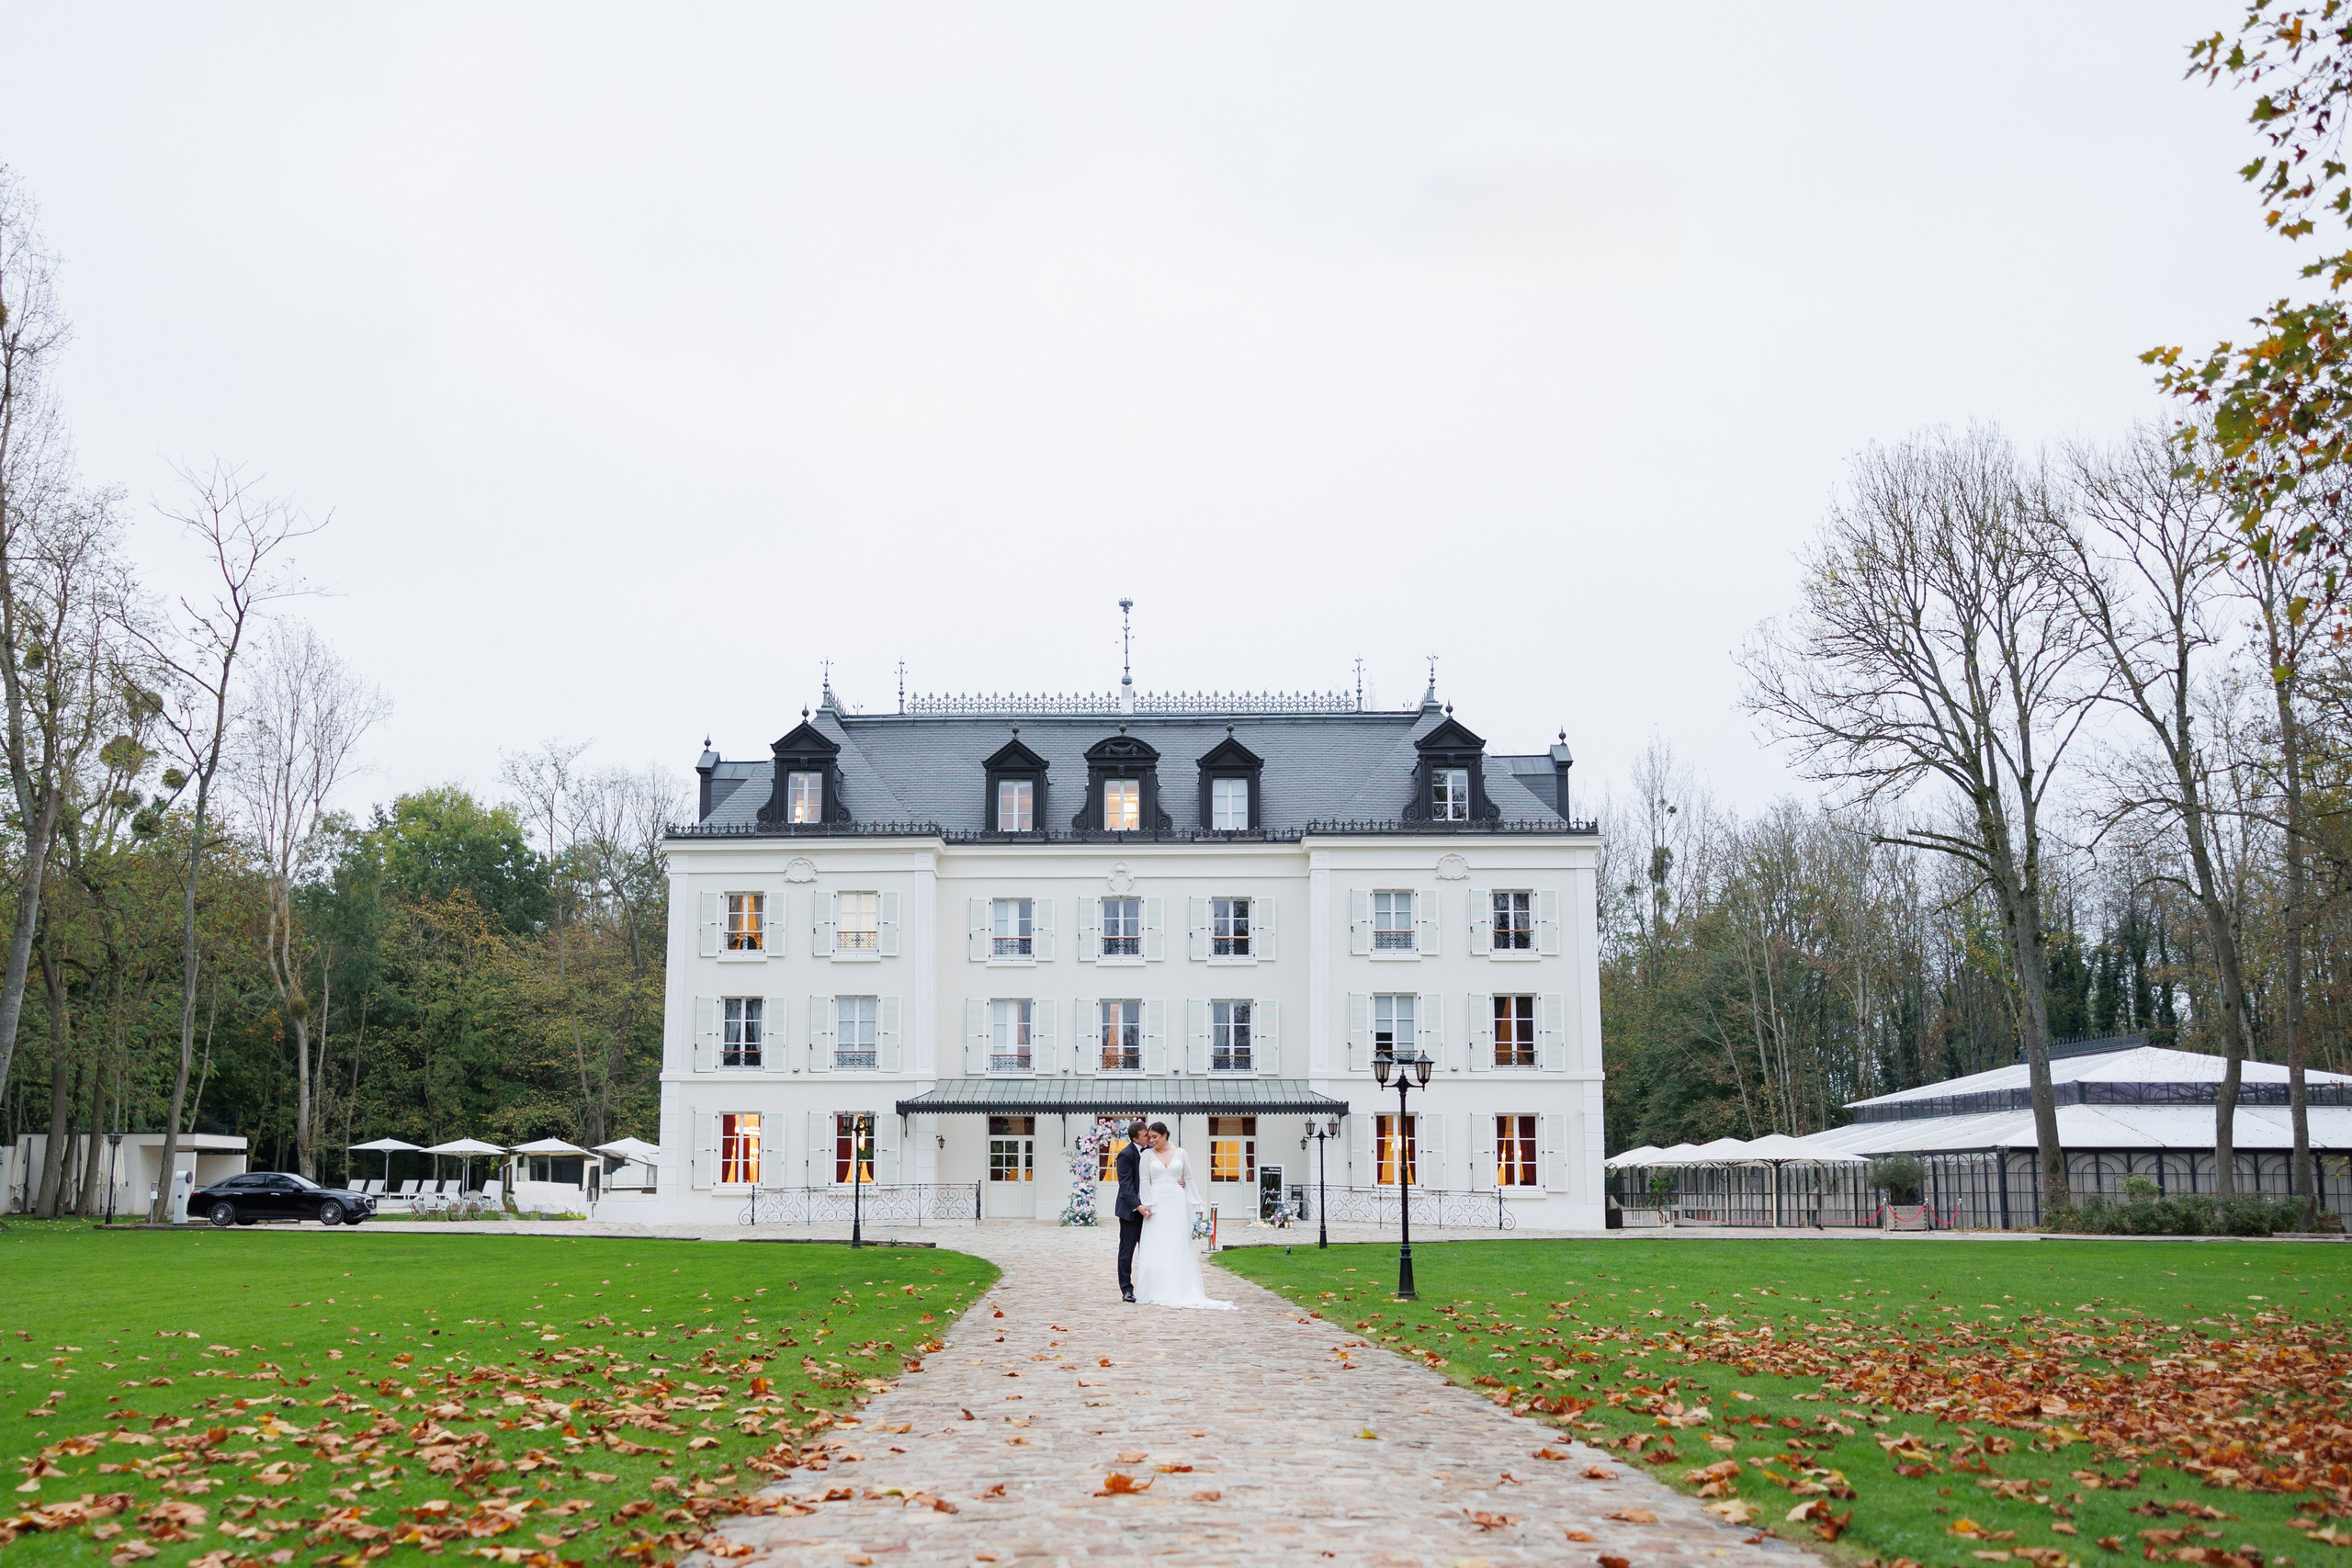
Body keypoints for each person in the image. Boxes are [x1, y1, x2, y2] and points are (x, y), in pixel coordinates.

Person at [1130, 1120, 1232, 1310]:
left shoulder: (1181, 1154)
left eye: (1155, 1137)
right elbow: (1145, 1180)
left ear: (1165, 1135)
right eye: (1149, 1138)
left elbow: (1189, 1178)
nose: (1151, 1141)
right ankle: (1156, 1289)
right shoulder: (1147, 1156)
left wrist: (1196, 1204)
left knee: (1177, 1242)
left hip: (1177, 1202)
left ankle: (1179, 1288)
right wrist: (1148, 1204)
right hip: (1157, 1202)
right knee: (1157, 1243)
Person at [1114, 1119, 1149, 1303]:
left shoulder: (1152, 1152)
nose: (1149, 1138)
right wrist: (1138, 1206)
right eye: (1145, 1136)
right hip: (1130, 1212)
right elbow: (1126, 1185)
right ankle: (1127, 1290)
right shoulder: (1125, 1155)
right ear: (1135, 1138)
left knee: (1150, 1250)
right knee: (1126, 1252)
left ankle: (1150, 1287)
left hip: (1150, 1211)